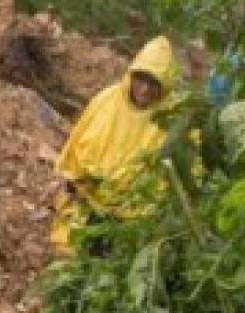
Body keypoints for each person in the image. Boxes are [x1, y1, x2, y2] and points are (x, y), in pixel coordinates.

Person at [49, 35, 178, 253]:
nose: (145, 90)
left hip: (133, 223)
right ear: (131, 75)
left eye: (153, 83)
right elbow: (77, 141)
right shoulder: (106, 101)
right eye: (141, 79)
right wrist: (74, 181)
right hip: (89, 204)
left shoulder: (171, 120)